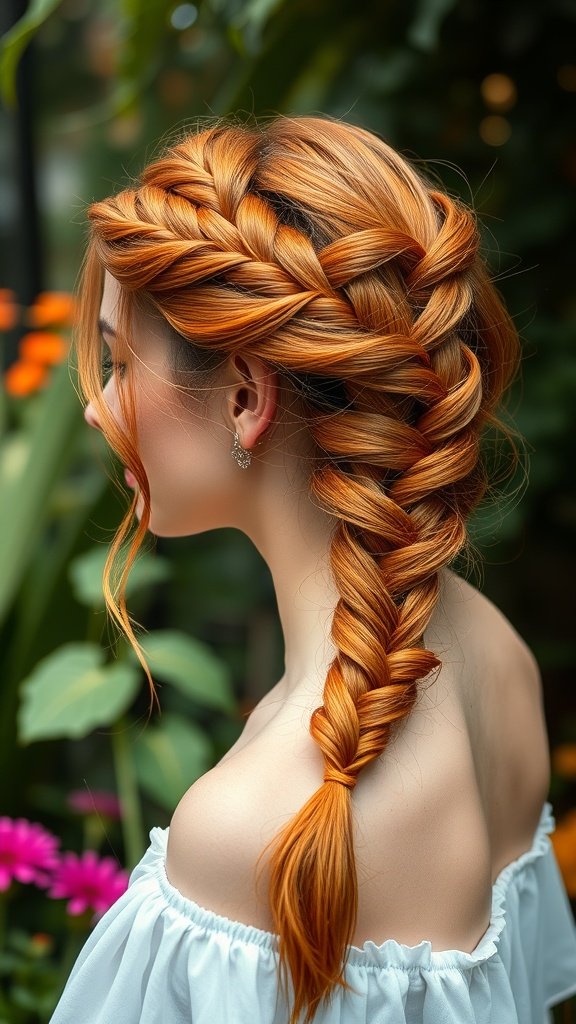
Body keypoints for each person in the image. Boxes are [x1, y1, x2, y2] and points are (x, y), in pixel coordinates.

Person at [50, 115, 576, 1024]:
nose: (100, 410)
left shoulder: (241, 832)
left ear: (247, 396)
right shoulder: (499, 654)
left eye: (119, 361)